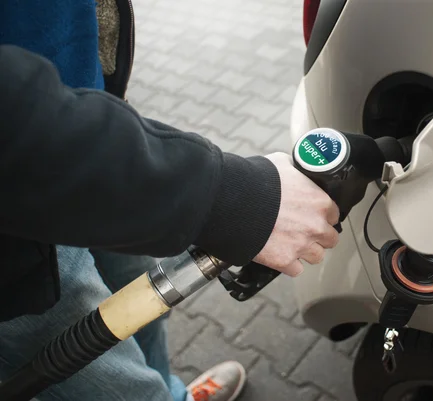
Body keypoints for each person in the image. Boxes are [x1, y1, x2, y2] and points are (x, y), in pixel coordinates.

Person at [0, 1, 339, 401]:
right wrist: (227, 198)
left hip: (94, 134)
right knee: (114, 384)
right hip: (16, 235)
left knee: (140, 310)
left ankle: (172, 392)